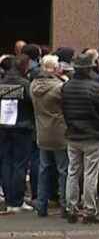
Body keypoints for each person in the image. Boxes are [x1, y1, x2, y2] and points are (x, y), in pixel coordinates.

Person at [61, 54, 99, 224]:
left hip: (73, 134)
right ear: (90, 68)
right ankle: (90, 210)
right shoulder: (95, 87)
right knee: (91, 173)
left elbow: (63, 108)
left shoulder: (66, 86)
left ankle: (71, 208)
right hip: (92, 134)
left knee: (73, 171)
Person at [30, 55, 69, 217]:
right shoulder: (59, 87)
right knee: (63, 170)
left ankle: (41, 204)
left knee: (44, 169)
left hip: (42, 132)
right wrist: (65, 80)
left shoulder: (33, 85)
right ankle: (65, 205)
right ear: (53, 69)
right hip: (59, 132)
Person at [0, 56, 35, 212]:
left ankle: (9, 199)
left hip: (3, 127)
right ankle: (17, 200)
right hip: (22, 127)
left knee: (6, 162)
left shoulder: (1, 83)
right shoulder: (25, 84)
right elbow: (32, 102)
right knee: (20, 164)